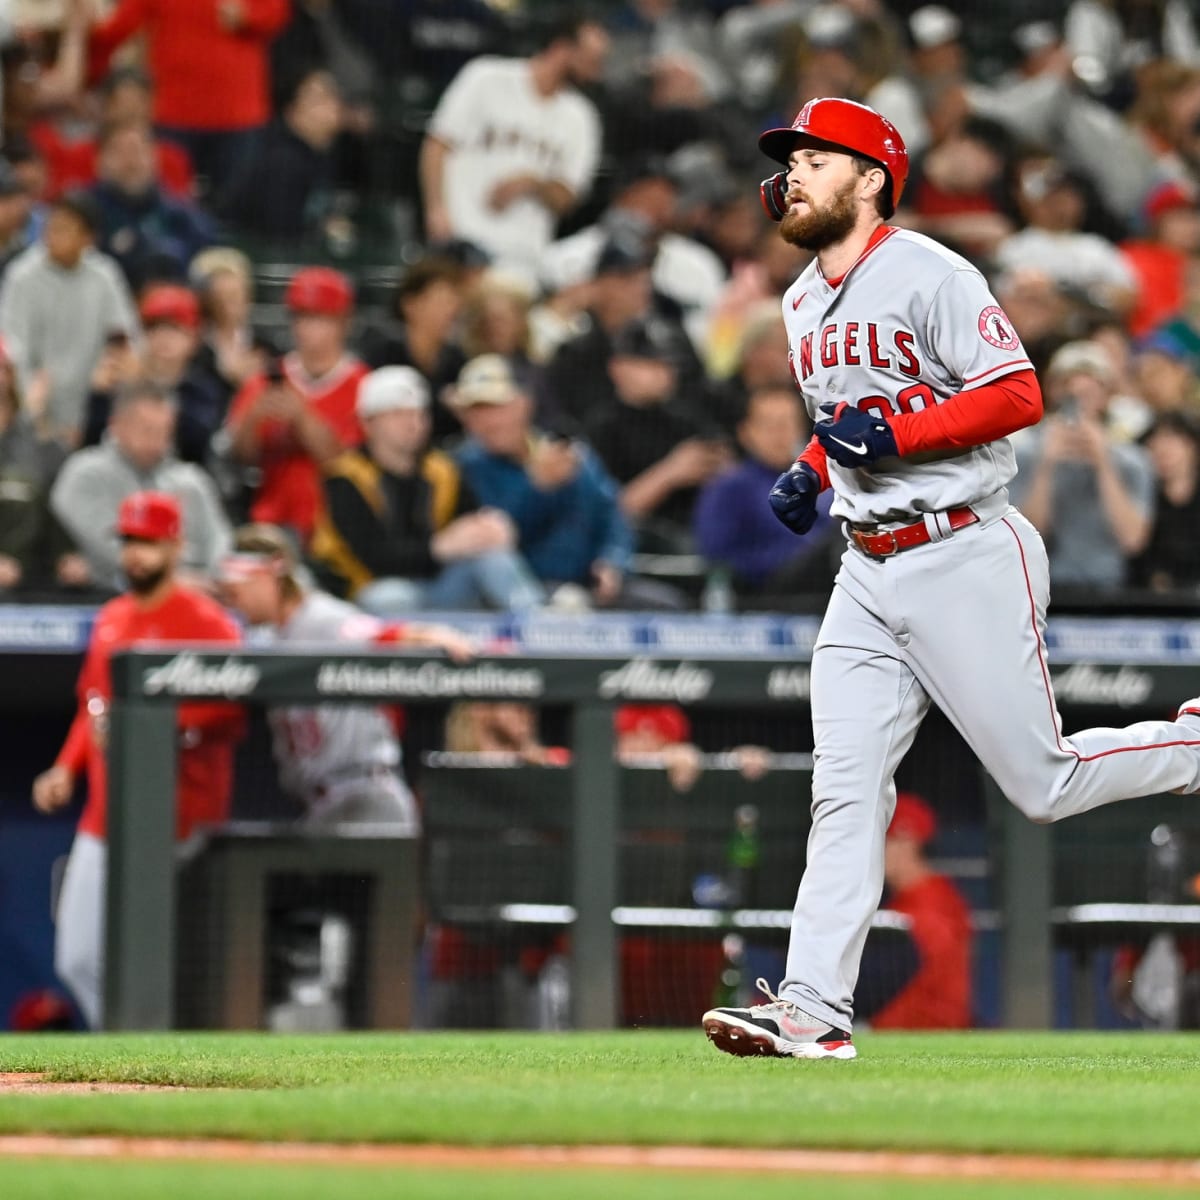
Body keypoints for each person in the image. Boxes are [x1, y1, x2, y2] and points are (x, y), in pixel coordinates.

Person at [701, 97, 1200, 1063]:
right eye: (790, 160)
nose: (794, 172)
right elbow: (853, 408)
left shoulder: (931, 271)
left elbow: (1018, 393)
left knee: (1041, 782)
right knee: (844, 792)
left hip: (964, 549)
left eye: (815, 158)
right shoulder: (802, 297)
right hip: (866, 569)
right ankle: (811, 1010)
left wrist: (896, 435)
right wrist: (813, 465)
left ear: (871, 177)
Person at [31, 491, 243, 1027]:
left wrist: (158, 729)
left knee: (173, 964)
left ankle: (168, 1069)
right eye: (128, 542)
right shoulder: (112, 617)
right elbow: (93, 702)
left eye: (146, 543)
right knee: (77, 956)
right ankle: (128, 1055)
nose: (135, 555)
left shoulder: (208, 623)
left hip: (181, 819)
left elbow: (234, 712)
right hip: (106, 817)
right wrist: (65, 766)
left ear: (175, 546)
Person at [216, 523, 473, 828]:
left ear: (270, 574)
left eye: (238, 589)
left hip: (365, 794)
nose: (234, 601)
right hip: (325, 804)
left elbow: (382, 636)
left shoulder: (322, 618)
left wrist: (431, 635)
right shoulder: (276, 637)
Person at [310, 365, 542, 613]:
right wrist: (439, 547)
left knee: (494, 559)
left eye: (419, 414)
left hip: (439, 582)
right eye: (398, 414)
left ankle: (539, 625)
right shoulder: (345, 477)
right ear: (368, 422)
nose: (412, 423)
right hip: (365, 591)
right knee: (390, 597)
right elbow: (375, 559)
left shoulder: (442, 469)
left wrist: (490, 529)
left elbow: (470, 521)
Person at [419, 9, 607, 280]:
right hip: (460, 238)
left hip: (521, 258)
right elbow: (437, 145)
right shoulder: (486, 77)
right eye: (592, 59)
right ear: (563, 48)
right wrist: (436, 210)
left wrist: (531, 183)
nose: (596, 69)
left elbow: (568, 197)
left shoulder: (582, 117)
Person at [85, 0, 291, 195]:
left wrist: (248, 15)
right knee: (170, 206)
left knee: (235, 213)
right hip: (177, 115)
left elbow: (277, 12)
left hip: (236, 116)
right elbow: (116, 29)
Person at [223, 266, 367, 544]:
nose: (308, 329)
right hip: (272, 525)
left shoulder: (363, 385)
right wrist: (254, 417)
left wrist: (303, 418)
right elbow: (239, 458)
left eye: (320, 319)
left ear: (344, 323)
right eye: (302, 317)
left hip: (340, 529)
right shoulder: (265, 381)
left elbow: (347, 467)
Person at [50, 381, 232, 590]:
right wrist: (173, 583)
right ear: (116, 425)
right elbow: (111, 550)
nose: (156, 441)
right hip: (103, 595)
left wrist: (215, 579)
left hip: (197, 595)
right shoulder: (85, 473)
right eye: (147, 430)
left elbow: (219, 540)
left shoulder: (191, 480)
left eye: (165, 431)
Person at [1009, 341, 1155, 592]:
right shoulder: (1024, 452)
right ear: (1053, 391)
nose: (1080, 404)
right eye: (1071, 394)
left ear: (1107, 396)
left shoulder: (1132, 460)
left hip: (1110, 588)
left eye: (1090, 393)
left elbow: (1132, 539)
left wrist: (1104, 462)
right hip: (1041, 587)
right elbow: (1023, 538)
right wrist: (1045, 465)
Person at [0, 191, 138, 449]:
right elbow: (13, 347)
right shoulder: (22, 276)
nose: (52, 236)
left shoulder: (105, 276)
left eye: (64, 230)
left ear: (88, 238)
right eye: (51, 227)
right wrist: (31, 407)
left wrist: (114, 367)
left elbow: (124, 338)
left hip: (93, 406)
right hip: (35, 410)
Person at [857, 792, 973, 1030]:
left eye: (884, 841)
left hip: (921, 1033)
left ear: (908, 842)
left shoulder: (931, 902)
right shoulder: (908, 899)